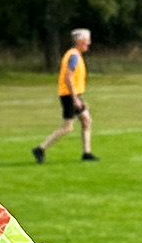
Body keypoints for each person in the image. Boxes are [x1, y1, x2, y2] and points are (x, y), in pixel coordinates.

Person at [33, 29, 97, 163]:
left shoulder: (75, 55)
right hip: (69, 95)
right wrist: (75, 99)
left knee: (86, 120)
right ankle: (40, 148)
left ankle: (87, 153)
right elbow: (68, 76)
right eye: (87, 40)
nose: (89, 43)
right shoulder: (73, 56)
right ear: (79, 41)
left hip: (73, 94)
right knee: (67, 127)